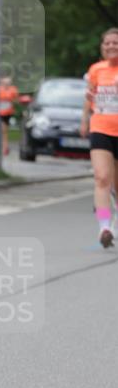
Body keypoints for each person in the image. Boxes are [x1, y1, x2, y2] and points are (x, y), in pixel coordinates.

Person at [80, 27, 118, 249]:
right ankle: (104, 226)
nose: (111, 46)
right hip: (101, 127)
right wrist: (84, 119)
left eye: (115, 43)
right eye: (107, 43)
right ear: (102, 47)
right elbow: (89, 96)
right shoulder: (95, 69)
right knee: (102, 178)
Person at [0, 74, 20, 156]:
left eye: (8, 82)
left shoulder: (13, 90)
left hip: (7, 114)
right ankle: (4, 148)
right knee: (1, 130)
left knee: (4, 131)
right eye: (5, 82)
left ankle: (5, 148)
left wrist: (11, 99)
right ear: (2, 82)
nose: (7, 84)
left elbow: (17, 101)